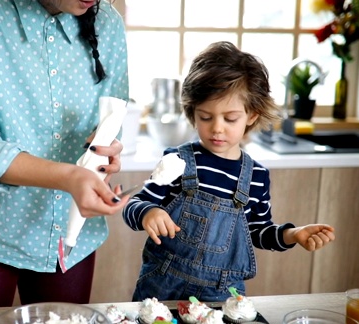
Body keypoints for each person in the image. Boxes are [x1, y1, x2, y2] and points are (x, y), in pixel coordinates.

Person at [0, 0, 130, 308]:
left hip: (69, 231)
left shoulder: (107, 22)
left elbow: (112, 116)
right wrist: (69, 176)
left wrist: (108, 147)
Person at [122, 41, 335, 302]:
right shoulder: (178, 160)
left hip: (221, 294)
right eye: (205, 117)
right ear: (192, 112)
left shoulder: (256, 177)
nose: (217, 128)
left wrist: (292, 234)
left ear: (252, 116)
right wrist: (148, 212)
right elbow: (134, 205)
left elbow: (257, 231)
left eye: (230, 118)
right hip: (163, 287)